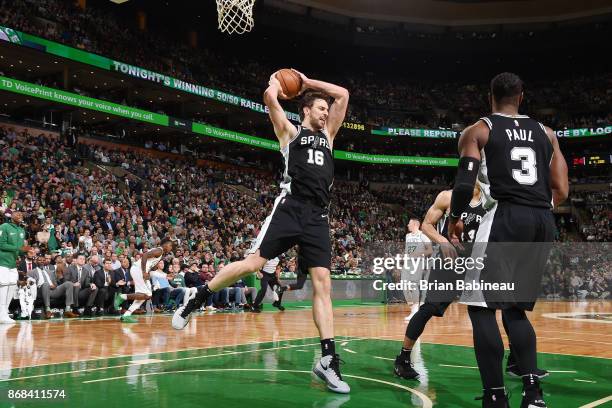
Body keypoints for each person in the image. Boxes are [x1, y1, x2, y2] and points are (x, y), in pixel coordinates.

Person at [173, 69, 350, 394]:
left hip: (318, 217)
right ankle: (199, 296)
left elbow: (343, 94)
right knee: (254, 263)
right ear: (306, 110)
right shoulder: (290, 133)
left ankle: (327, 359)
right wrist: (275, 84)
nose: (327, 112)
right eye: (320, 108)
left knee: (323, 284)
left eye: (327, 109)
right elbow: (270, 99)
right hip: (291, 207)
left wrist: (308, 82)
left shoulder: (329, 136)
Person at [446, 72, 568, 407]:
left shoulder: (479, 130)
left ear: (491, 97)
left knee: (481, 309)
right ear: (522, 97)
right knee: (515, 310)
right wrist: (536, 208)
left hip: (504, 218)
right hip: (542, 220)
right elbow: (563, 189)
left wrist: (455, 219)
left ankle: (495, 397)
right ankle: (532, 394)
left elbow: (461, 186)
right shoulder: (547, 134)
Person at [113, 238, 175, 323]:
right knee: (147, 295)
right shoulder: (159, 250)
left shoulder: (160, 255)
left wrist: (166, 275)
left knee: (143, 296)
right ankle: (122, 296)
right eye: (170, 245)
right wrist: (143, 272)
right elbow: (144, 256)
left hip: (139, 270)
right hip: (139, 270)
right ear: (165, 244)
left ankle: (126, 315)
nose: (171, 248)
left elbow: (152, 271)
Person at [402, 218, 433, 321]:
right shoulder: (408, 236)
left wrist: (419, 254)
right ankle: (413, 309)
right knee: (404, 286)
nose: (407, 225)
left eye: (409, 223)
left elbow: (430, 250)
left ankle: (415, 311)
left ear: (416, 224)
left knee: (413, 285)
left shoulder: (423, 236)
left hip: (418, 263)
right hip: (408, 263)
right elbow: (407, 250)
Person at [0, 211, 29, 323]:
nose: (20, 216)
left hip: (12, 263)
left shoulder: (22, 230)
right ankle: (1, 313)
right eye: (17, 214)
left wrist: (25, 251)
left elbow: (20, 248)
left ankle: (4, 312)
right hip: (2, 261)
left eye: (21, 215)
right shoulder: (4, 227)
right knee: (3, 286)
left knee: (12, 284)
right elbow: (1, 244)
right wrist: (19, 248)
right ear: (11, 217)